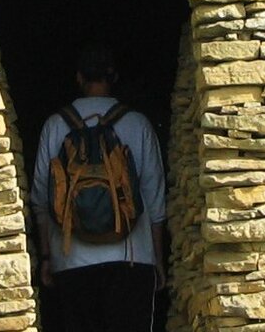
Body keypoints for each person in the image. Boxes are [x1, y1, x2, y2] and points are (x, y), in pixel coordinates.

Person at [31, 44, 168, 332]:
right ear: (114, 77)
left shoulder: (55, 125)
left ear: (79, 78)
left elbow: (41, 200)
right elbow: (155, 202)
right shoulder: (138, 123)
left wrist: (46, 258)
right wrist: (156, 259)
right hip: (131, 262)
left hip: (71, 262)